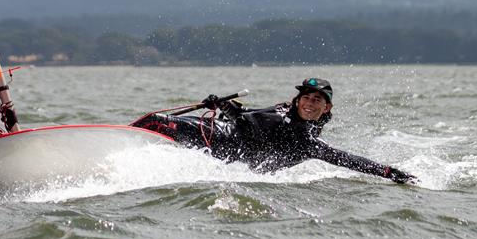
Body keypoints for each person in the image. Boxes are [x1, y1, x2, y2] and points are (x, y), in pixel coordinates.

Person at [131, 78, 417, 184]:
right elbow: (246, 116)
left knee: (157, 122)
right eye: (306, 97)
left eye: (317, 100)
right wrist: (223, 105)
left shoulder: (305, 141)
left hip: (227, 147)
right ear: (297, 99)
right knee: (154, 121)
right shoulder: (282, 110)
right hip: (223, 131)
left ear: (326, 109)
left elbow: (345, 159)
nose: (309, 102)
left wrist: (387, 172)